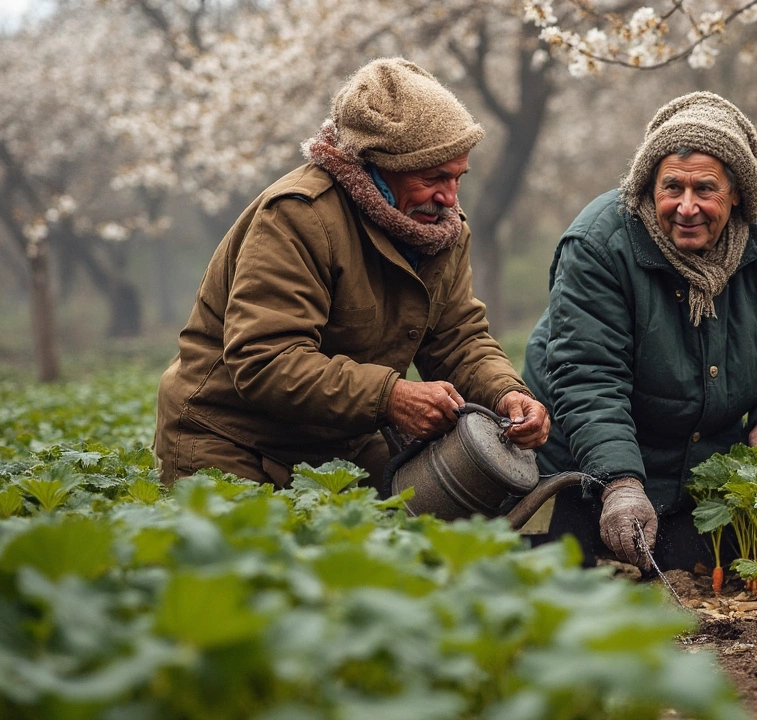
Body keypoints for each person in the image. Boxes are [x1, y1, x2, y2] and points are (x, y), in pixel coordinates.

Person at [154, 57, 549, 487]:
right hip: (231, 437)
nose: (450, 198)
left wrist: (507, 392)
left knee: (428, 528)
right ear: (380, 165)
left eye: (459, 177)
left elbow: (458, 337)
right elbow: (265, 359)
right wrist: (391, 396)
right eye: (434, 177)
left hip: (341, 440)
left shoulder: (440, 231)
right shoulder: (297, 216)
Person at [523, 91, 757, 571]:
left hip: (698, 469)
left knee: (710, 576)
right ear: (648, 185)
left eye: (705, 189)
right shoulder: (600, 245)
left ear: (738, 193)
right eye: (671, 188)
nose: (686, 207)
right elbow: (589, 377)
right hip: (587, 466)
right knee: (583, 590)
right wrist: (617, 481)